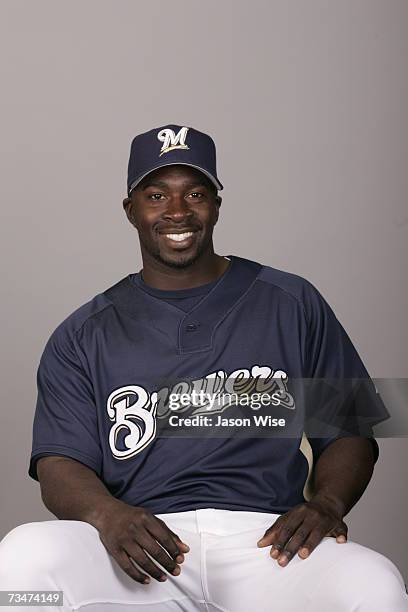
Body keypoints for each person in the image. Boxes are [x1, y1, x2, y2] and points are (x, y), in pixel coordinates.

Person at [0, 124, 407, 612]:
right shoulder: (82, 332)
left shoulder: (292, 300)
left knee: (376, 586)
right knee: (22, 560)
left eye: (194, 193)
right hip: (140, 545)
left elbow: (352, 429)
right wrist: (108, 515)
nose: (177, 211)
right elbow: (57, 462)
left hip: (266, 545)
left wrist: (327, 504)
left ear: (216, 203)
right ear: (131, 211)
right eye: (156, 195)